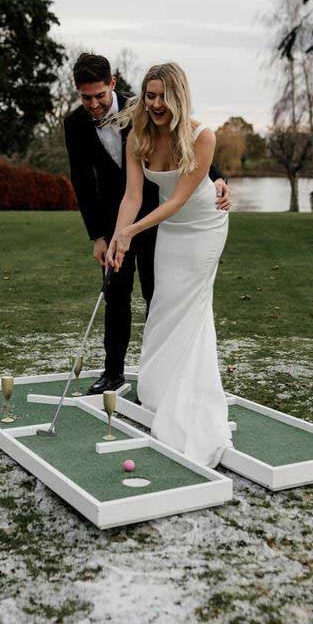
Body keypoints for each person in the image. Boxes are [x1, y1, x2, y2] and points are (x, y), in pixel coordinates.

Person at [64, 53, 231, 395]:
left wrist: (217, 178)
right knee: (116, 294)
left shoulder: (144, 106)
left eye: (99, 95)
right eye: (86, 97)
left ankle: (162, 373)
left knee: (160, 295)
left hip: (163, 215)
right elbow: (82, 180)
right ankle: (113, 374)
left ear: (112, 83)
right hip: (121, 214)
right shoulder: (75, 124)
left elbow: (186, 147)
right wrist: (102, 236)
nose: (93, 104)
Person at [105, 61, 232, 467]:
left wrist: (133, 232)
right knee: (162, 305)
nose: (155, 103)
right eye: (149, 95)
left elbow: (177, 200)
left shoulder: (202, 136)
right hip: (170, 229)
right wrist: (116, 237)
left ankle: (193, 399)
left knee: (191, 309)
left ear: (177, 96)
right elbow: (131, 197)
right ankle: (160, 391)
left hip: (202, 225)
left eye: (162, 96)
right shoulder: (138, 136)